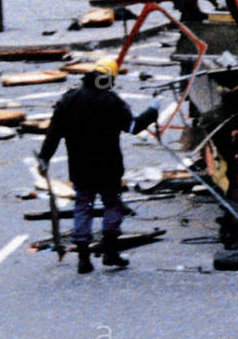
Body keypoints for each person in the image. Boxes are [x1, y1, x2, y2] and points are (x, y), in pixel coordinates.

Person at [37, 58, 159, 274]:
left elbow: (54, 132)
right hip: (109, 166)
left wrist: (44, 158)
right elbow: (133, 126)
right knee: (113, 205)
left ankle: (83, 258)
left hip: (80, 166)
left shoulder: (69, 100)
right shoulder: (111, 101)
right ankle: (111, 253)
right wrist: (152, 111)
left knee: (83, 206)